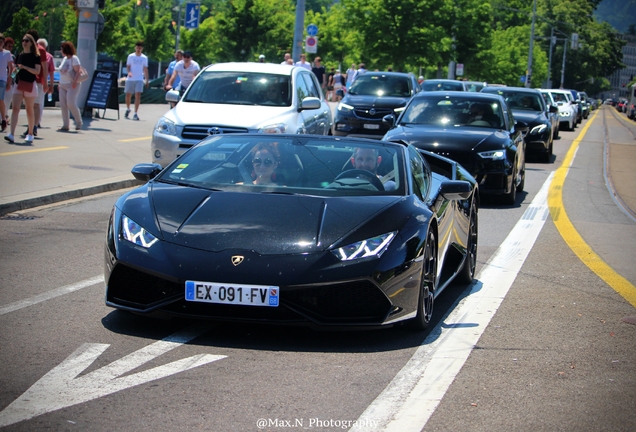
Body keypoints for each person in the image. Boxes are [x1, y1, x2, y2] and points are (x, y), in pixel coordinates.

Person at [5, 33, 41, 144]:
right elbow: (15, 70)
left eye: (26, 41)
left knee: (29, 110)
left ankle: (30, 133)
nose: (24, 42)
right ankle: (11, 134)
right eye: (23, 40)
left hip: (30, 84)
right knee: (15, 108)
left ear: (31, 43)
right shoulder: (20, 55)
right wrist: (11, 78)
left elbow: (37, 71)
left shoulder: (35, 56)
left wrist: (24, 67)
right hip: (18, 83)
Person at [20, 30, 48, 138]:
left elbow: (44, 67)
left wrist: (45, 82)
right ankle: (31, 127)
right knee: (29, 106)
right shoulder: (26, 50)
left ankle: (33, 127)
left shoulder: (40, 50)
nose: (25, 41)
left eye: (27, 39)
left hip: (38, 80)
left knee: (35, 105)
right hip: (27, 80)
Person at [57, 41, 83, 132]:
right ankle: (65, 125)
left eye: (62, 48)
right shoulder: (64, 59)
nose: (60, 50)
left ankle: (79, 122)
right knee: (63, 105)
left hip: (71, 84)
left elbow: (78, 71)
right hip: (63, 84)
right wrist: (60, 83)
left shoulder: (74, 58)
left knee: (71, 103)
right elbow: (62, 72)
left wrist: (74, 82)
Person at [124, 41, 149, 121]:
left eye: (140, 48)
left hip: (139, 78)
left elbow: (145, 69)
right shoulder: (131, 56)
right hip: (130, 78)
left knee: (138, 95)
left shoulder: (144, 58)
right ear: (135, 48)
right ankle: (128, 108)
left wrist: (147, 80)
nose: (138, 49)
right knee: (128, 95)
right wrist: (129, 72)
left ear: (142, 49)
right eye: (137, 48)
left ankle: (135, 113)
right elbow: (128, 66)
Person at [37, 38, 55, 126]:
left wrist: (51, 84)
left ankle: (38, 121)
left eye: (42, 45)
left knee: (40, 102)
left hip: (43, 82)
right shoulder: (34, 54)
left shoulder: (49, 57)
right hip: (33, 80)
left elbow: (51, 72)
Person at [0, 33, 14, 132]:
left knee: (1, 99)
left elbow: (12, 69)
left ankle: (4, 118)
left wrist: (10, 80)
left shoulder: (7, 54)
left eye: (1, 41)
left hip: (2, 80)